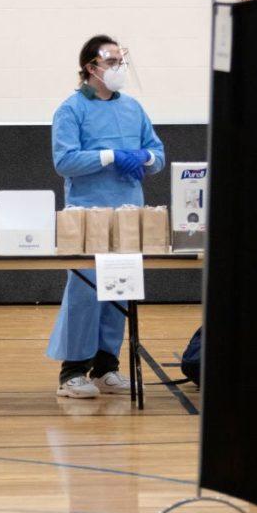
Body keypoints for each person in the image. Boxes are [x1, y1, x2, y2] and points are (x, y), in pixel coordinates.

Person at [48, 35, 166, 398]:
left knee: (121, 285)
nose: (119, 67)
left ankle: (106, 367)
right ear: (91, 67)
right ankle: (72, 372)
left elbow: (158, 154)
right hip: (88, 215)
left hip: (128, 214)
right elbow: (65, 161)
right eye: (111, 61)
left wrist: (144, 159)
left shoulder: (133, 108)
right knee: (85, 289)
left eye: (121, 60)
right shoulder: (71, 110)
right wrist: (111, 156)